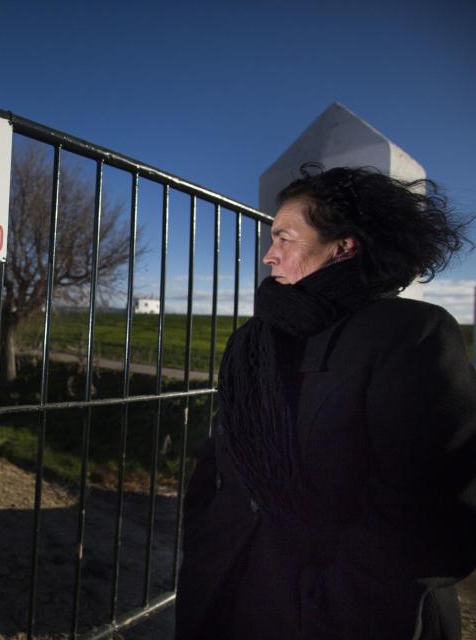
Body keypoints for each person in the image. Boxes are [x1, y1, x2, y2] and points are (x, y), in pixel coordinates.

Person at [176, 164, 476, 639]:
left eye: (285, 239)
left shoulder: (408, 334)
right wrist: (204, 536)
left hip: (348, 609)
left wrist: (338, 610)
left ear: (342, 246)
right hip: (228, 582)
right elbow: (222, 454)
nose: (270, 257)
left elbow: (426, 506)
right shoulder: (253, 340)